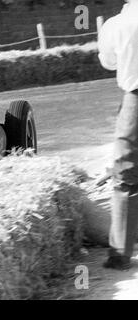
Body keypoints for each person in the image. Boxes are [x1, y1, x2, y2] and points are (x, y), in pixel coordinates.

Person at [97, 0, 138, 270]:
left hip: (135, 99)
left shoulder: (116, 24)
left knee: (125, 173)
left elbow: (108, 62)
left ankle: (121, 254)